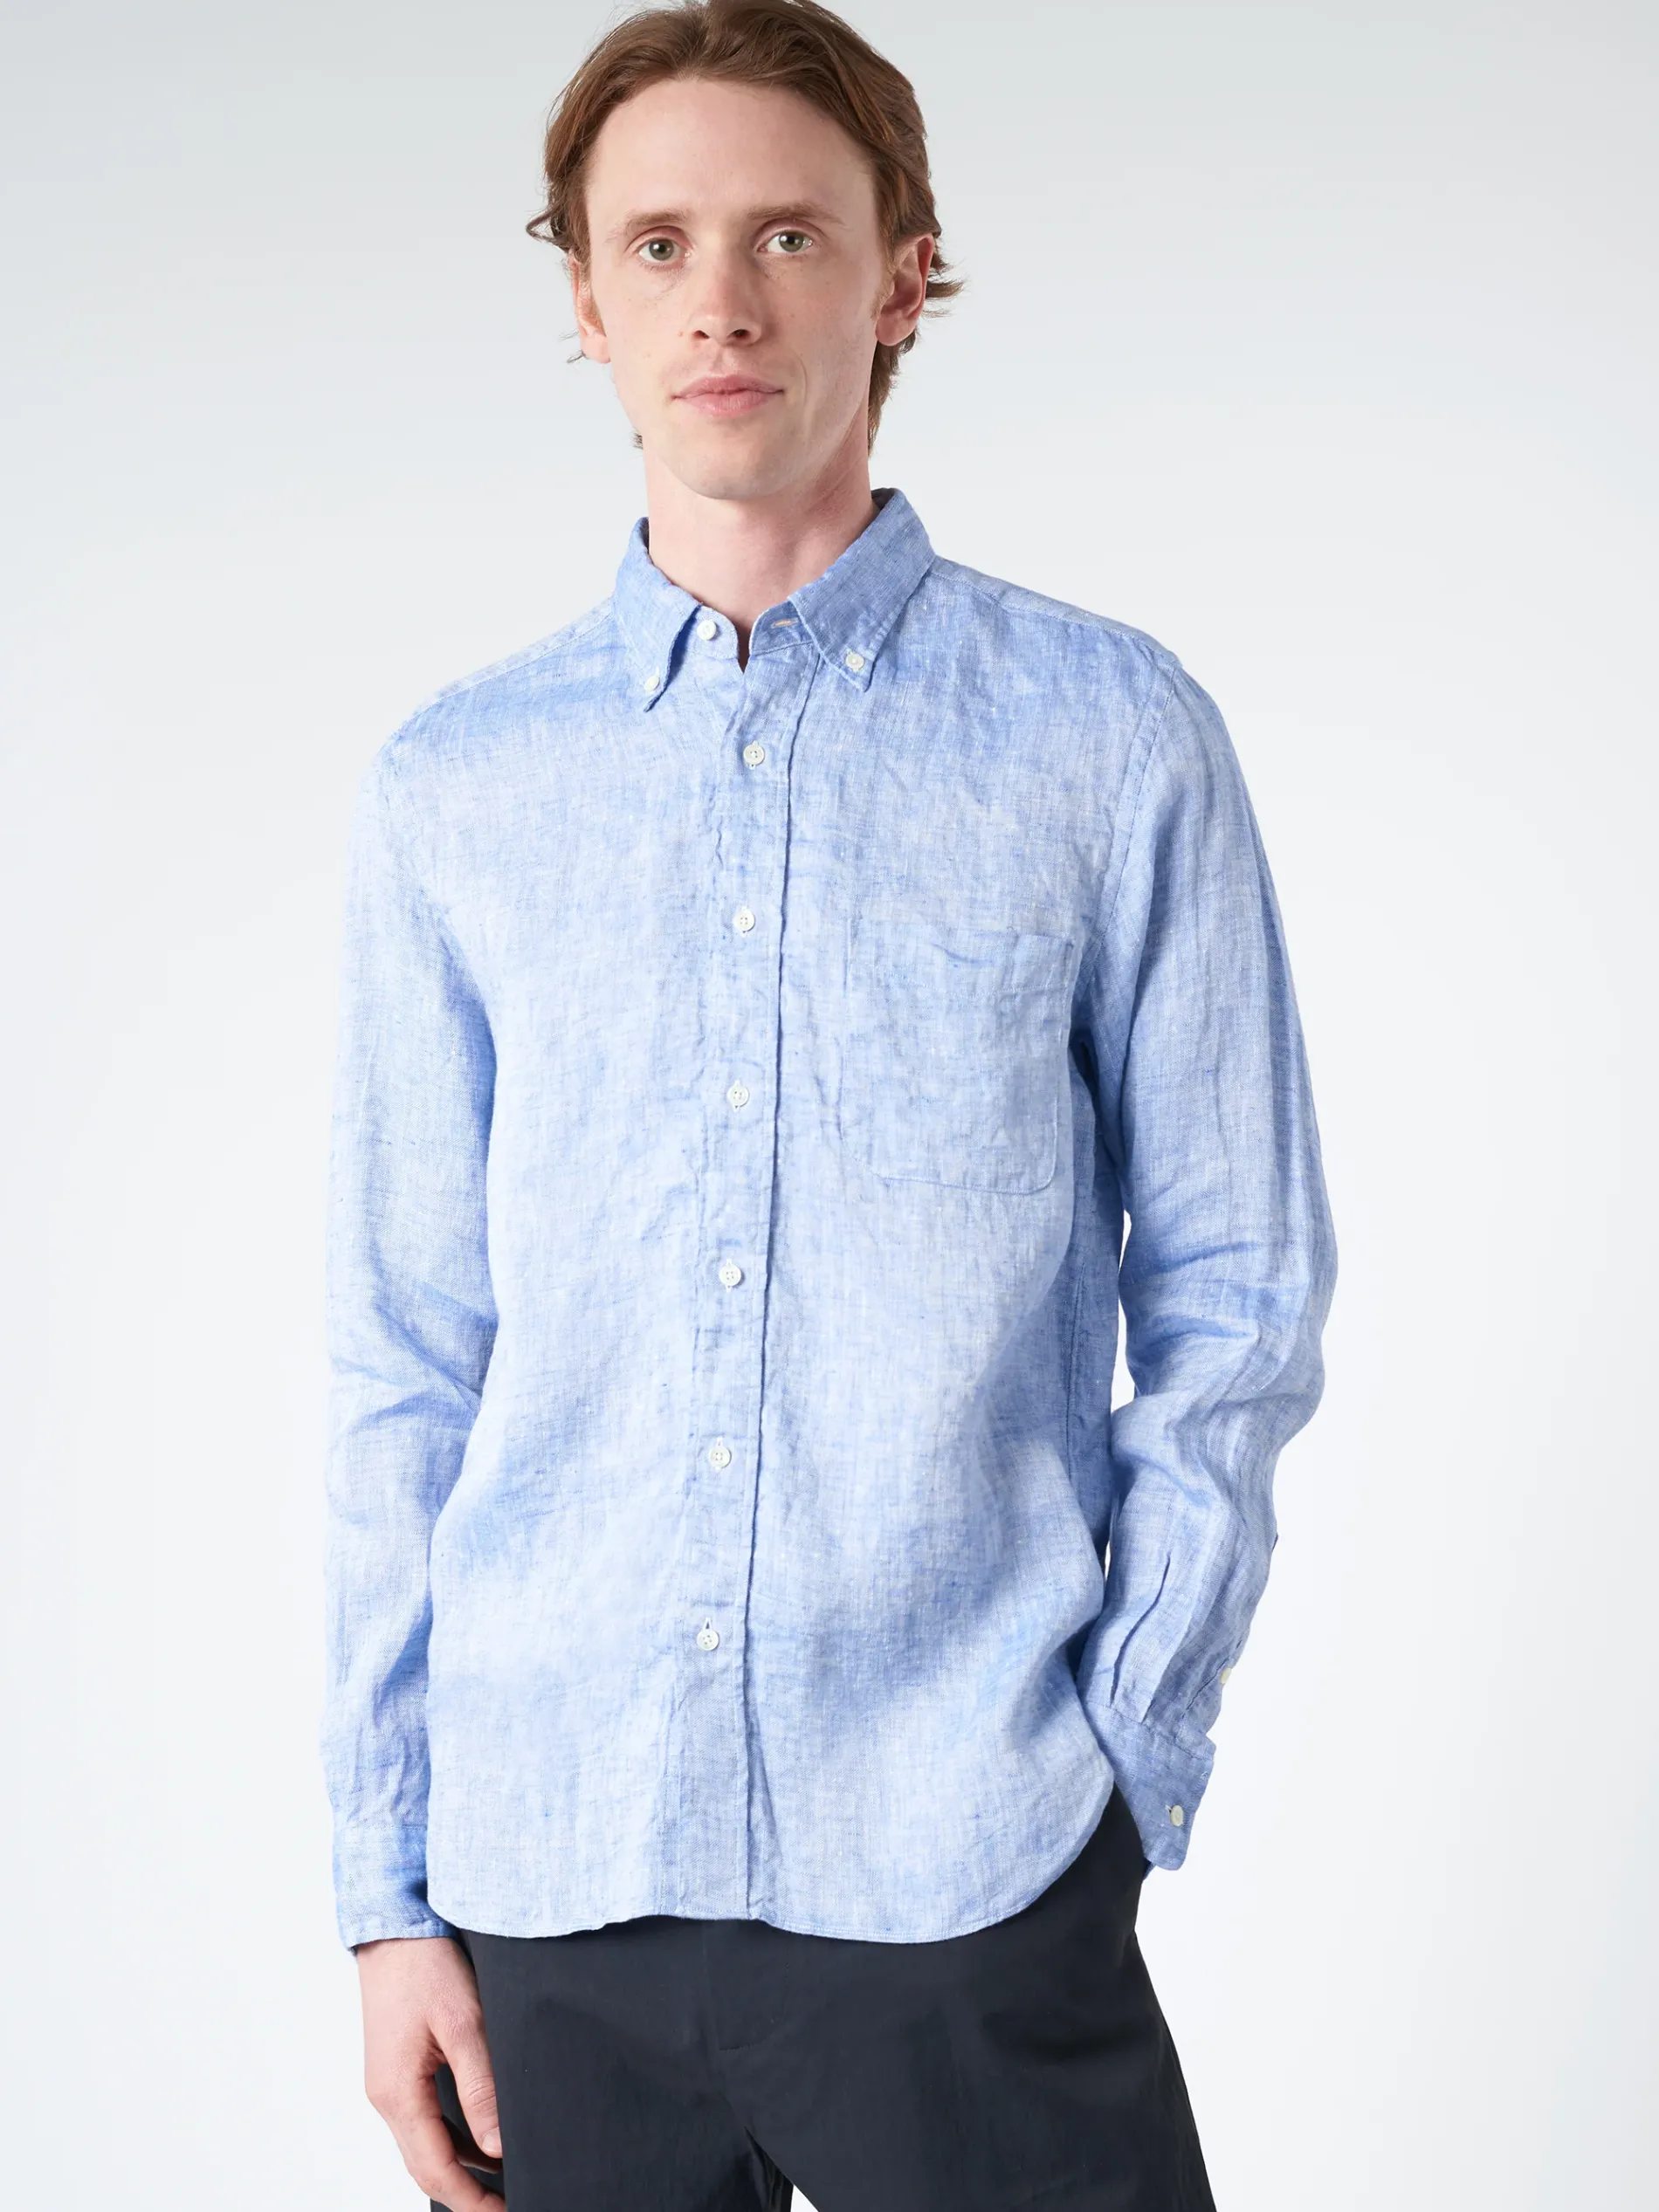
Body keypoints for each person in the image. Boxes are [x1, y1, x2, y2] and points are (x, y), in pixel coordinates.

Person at [320, 3, 1337, 2207]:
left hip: (965, 1854)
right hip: (548, 1882)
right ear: (584, 301)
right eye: (657, 242)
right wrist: (387, 1889)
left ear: (899, 276)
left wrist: (1113, 1754)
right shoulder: (456, 789)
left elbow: (1239, 1287)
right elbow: (406, 1360)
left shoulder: (1106, 738)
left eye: (787, 233)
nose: (721, 300)